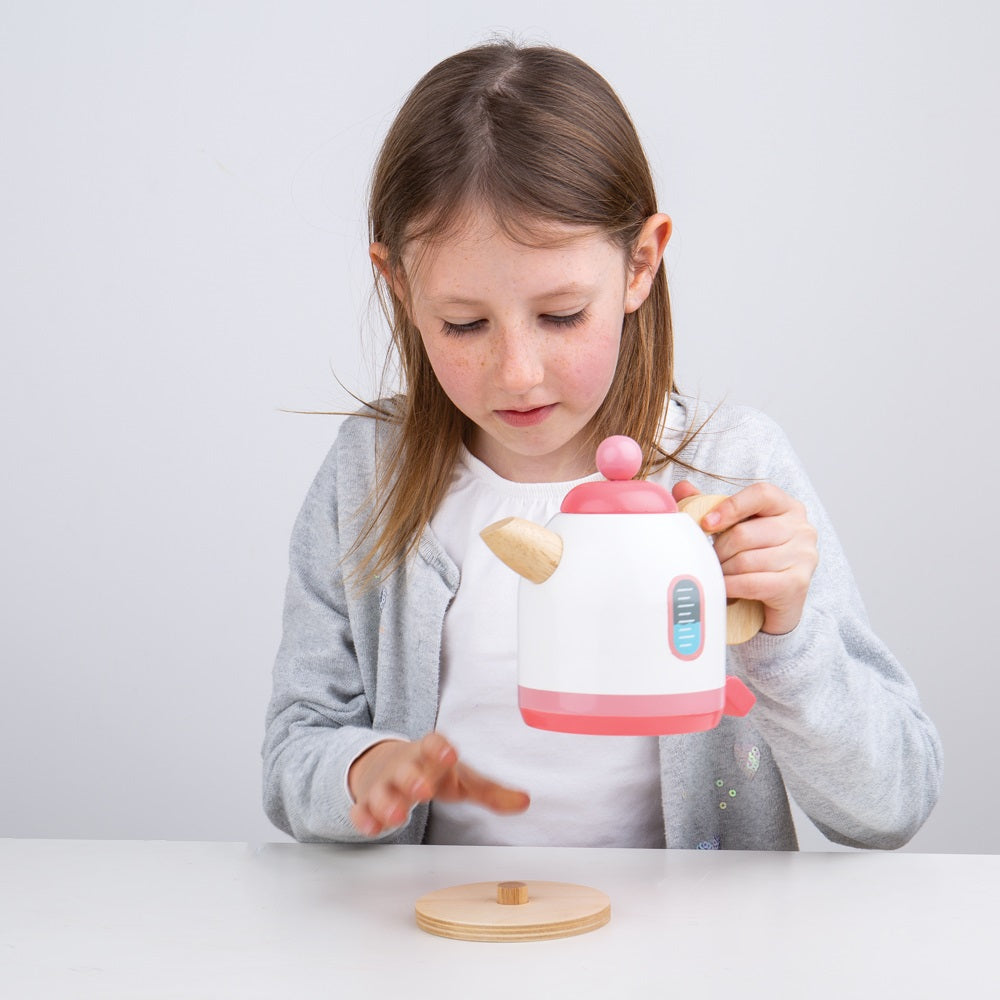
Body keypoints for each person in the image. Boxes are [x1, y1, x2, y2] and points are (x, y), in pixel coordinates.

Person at [262, 40, 942, 850]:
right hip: (450, 952)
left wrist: (786, 643)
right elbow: (295, 750)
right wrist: (362, 770)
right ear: (399, 286)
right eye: (464, 323)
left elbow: (892, 803)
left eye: (560, 316)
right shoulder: (369, 473)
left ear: (640, 263)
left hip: (688, 963)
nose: (518, 373)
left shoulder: (735, 465)